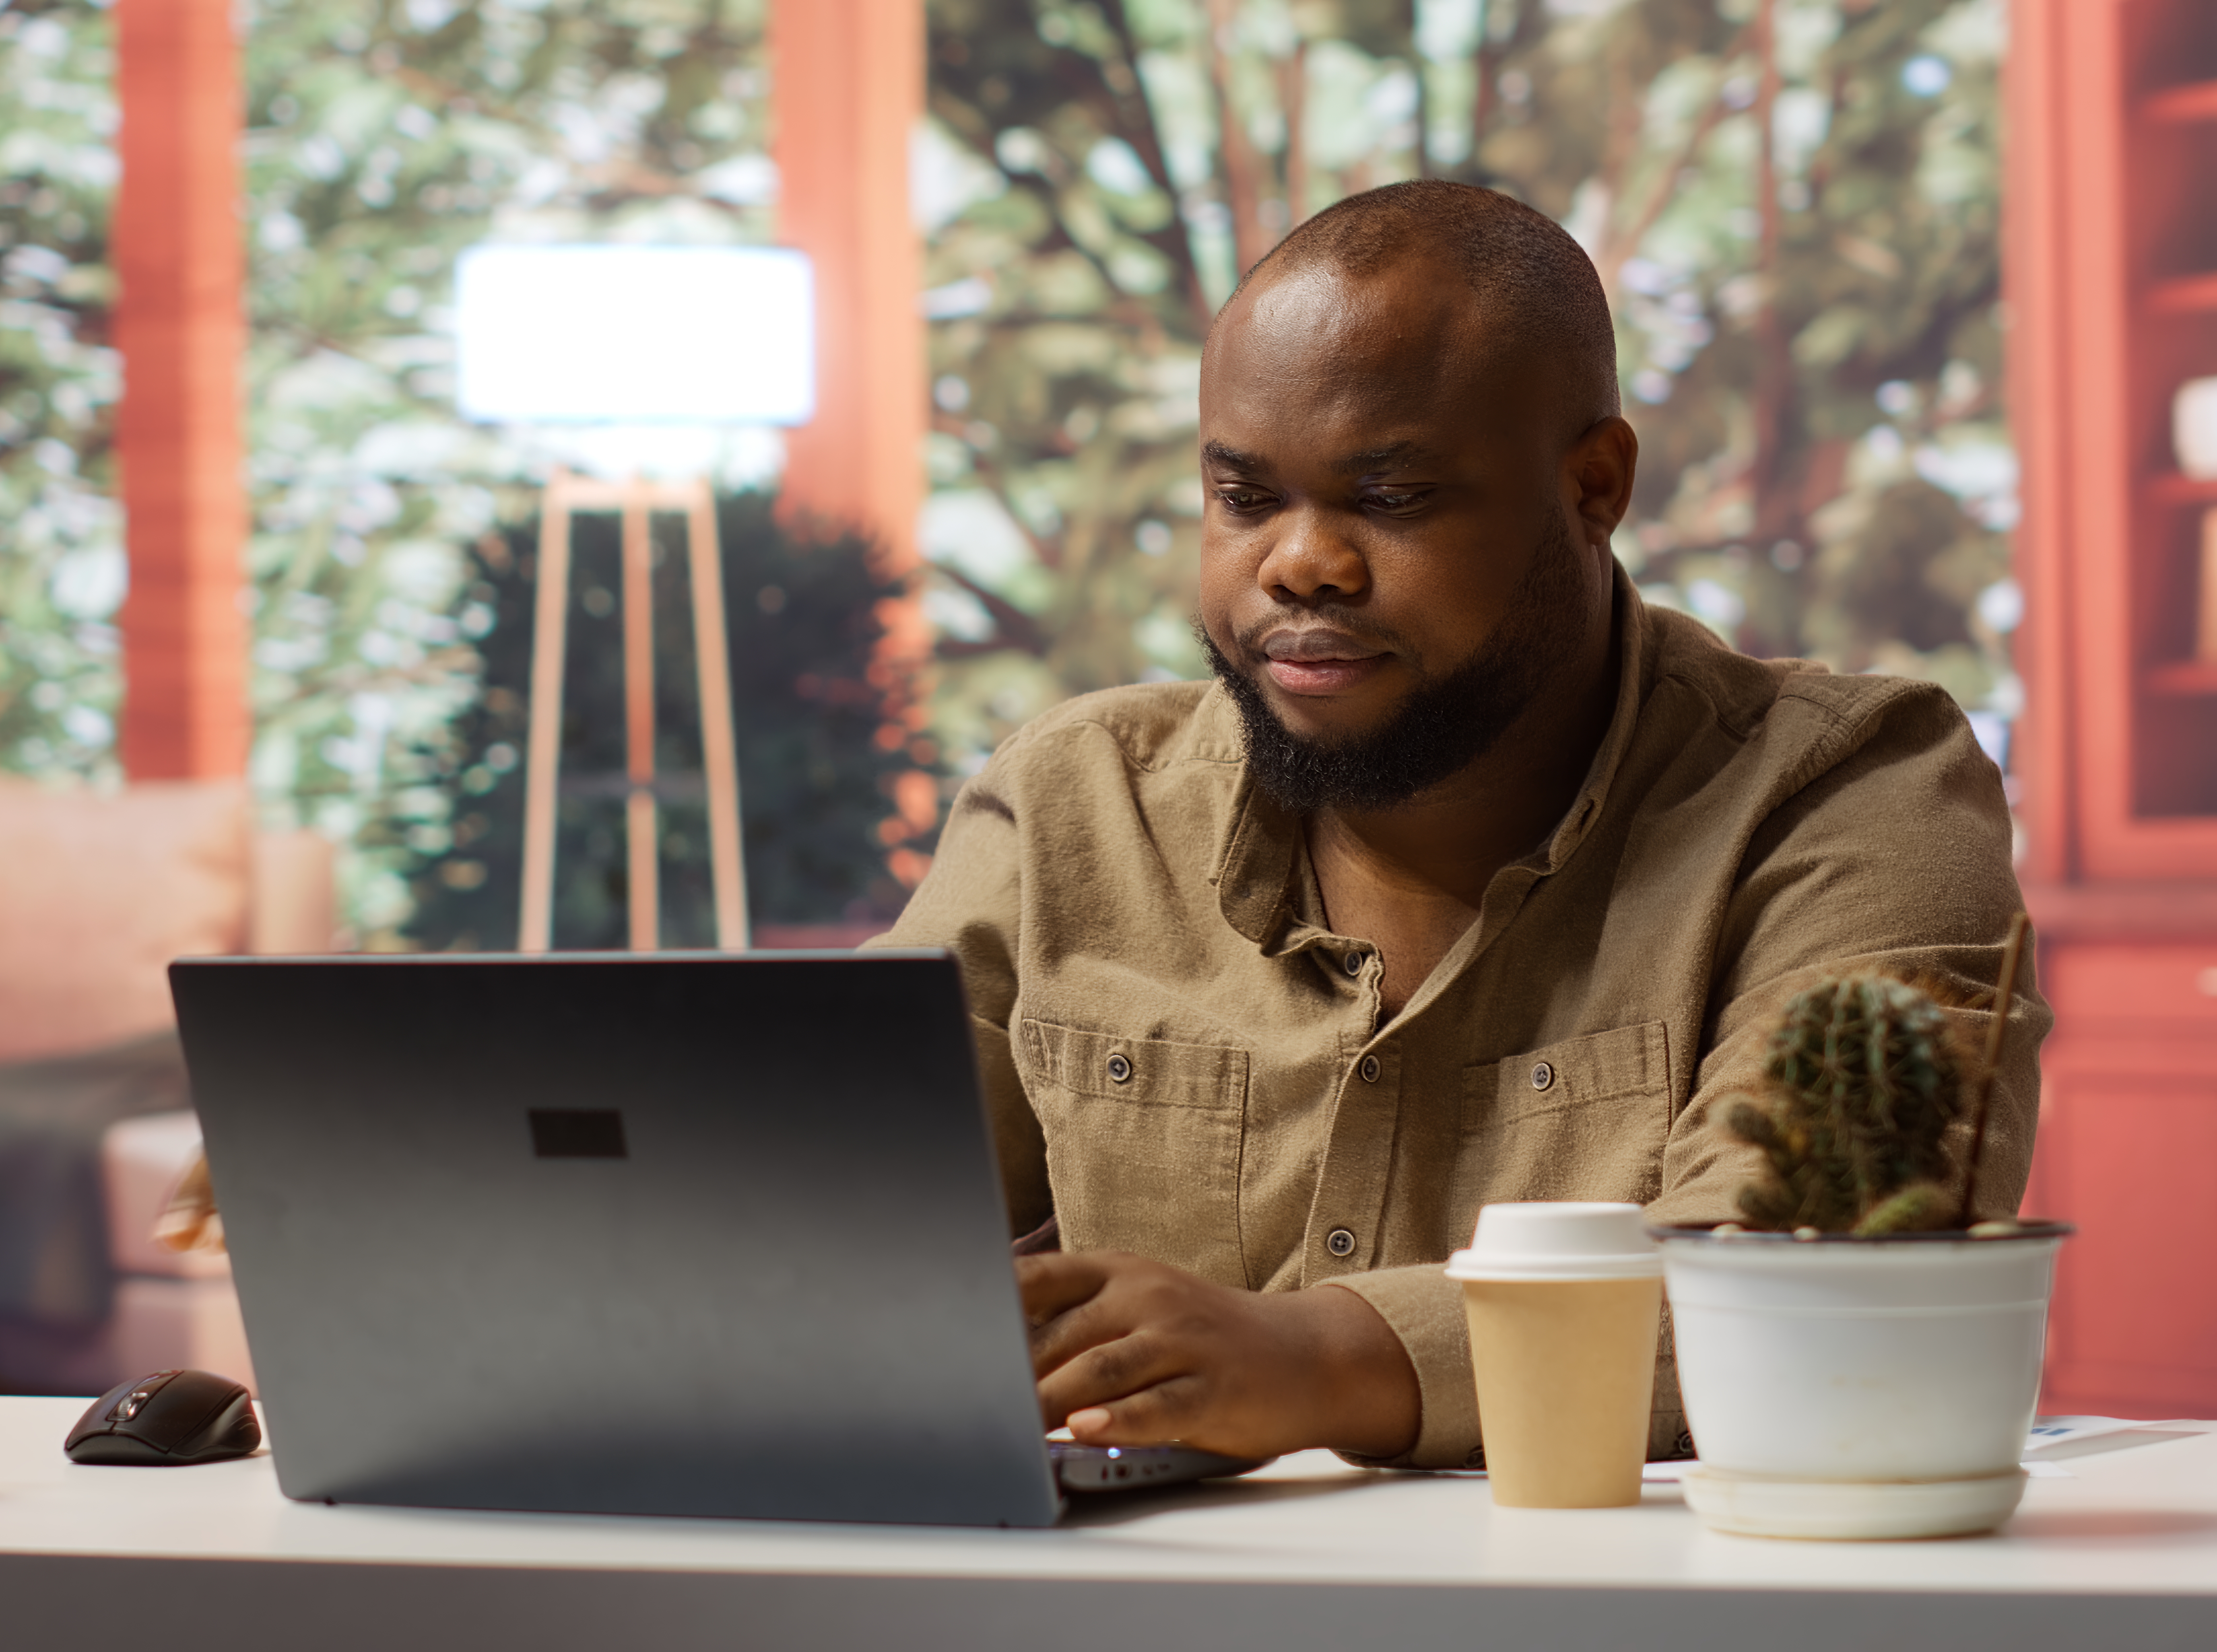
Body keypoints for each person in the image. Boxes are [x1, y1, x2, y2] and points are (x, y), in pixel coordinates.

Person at [870, 179, 2042, 1471]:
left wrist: (1314, 1358)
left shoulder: (1849, 792)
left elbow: (1809, 1278)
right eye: (1245, 500)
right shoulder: (1068, 807)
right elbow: (799, 1221)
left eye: (1393, 497)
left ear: (1594, 485)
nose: (1300, 564)